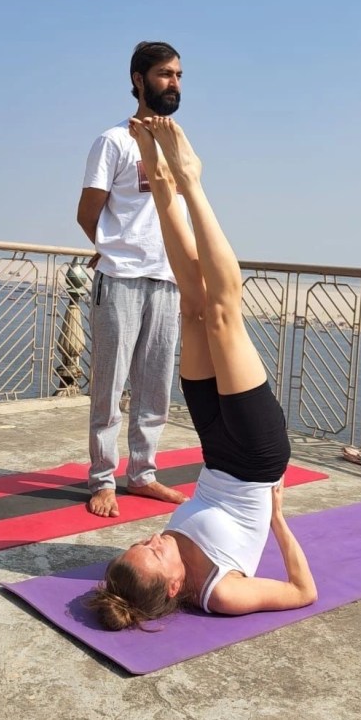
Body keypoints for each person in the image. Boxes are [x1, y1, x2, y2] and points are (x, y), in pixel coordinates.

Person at [88, 117, 318, 630]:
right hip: (259, 459)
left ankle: (163, 185)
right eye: (155, 553)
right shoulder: (221, 592)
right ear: (175, 587)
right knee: (221, 313)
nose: (153, 539)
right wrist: (278, 521)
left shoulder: (158, 562)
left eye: (139, 543)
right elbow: (304, 591)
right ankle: (191, 182)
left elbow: (151, 561)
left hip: (216, 449)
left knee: (192, 305)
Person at [77, 42, 190, 518]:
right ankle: (103, 478)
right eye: (165, 74)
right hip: (120, 278)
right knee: (110, 384)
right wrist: (115, 251)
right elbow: (88, 212)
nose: (175, 84)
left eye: (180, 75)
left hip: (166, 279)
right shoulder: (113, 141)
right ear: (139, 79)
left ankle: (142, 474)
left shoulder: (178, 142)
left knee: (155, 384)